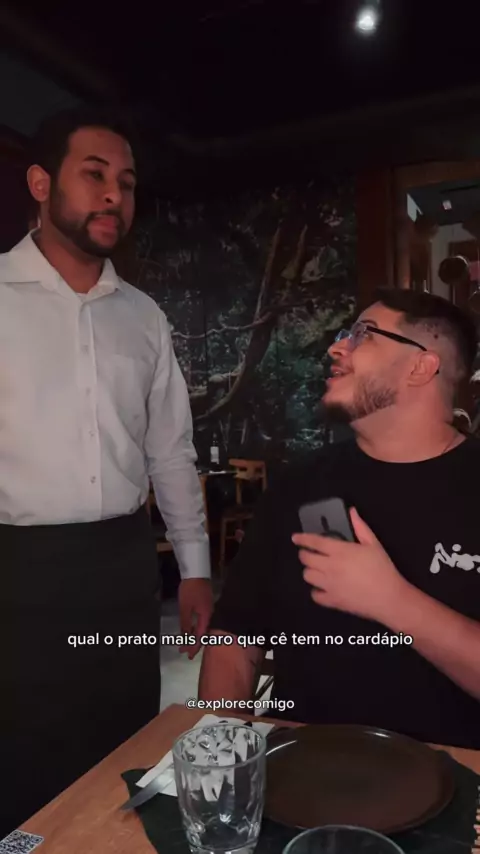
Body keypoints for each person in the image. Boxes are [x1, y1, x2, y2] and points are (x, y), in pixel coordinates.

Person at [0, 108, 212, 835]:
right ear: (40, 183)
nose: (114, 195)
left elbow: (170, 451)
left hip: (122, 565)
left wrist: (195, 568)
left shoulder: (144, 317)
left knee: (124, 750)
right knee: (21, 763)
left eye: (126, 181)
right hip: (16, 570)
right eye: (94, 175)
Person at [199, 288, 480, 749]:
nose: (336, 348)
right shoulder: (298, 484)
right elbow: (235, 637)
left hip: (454, 774)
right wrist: (217, 748)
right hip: (300, 767)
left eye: (363, 334)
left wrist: (392, 601)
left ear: (421, 366)